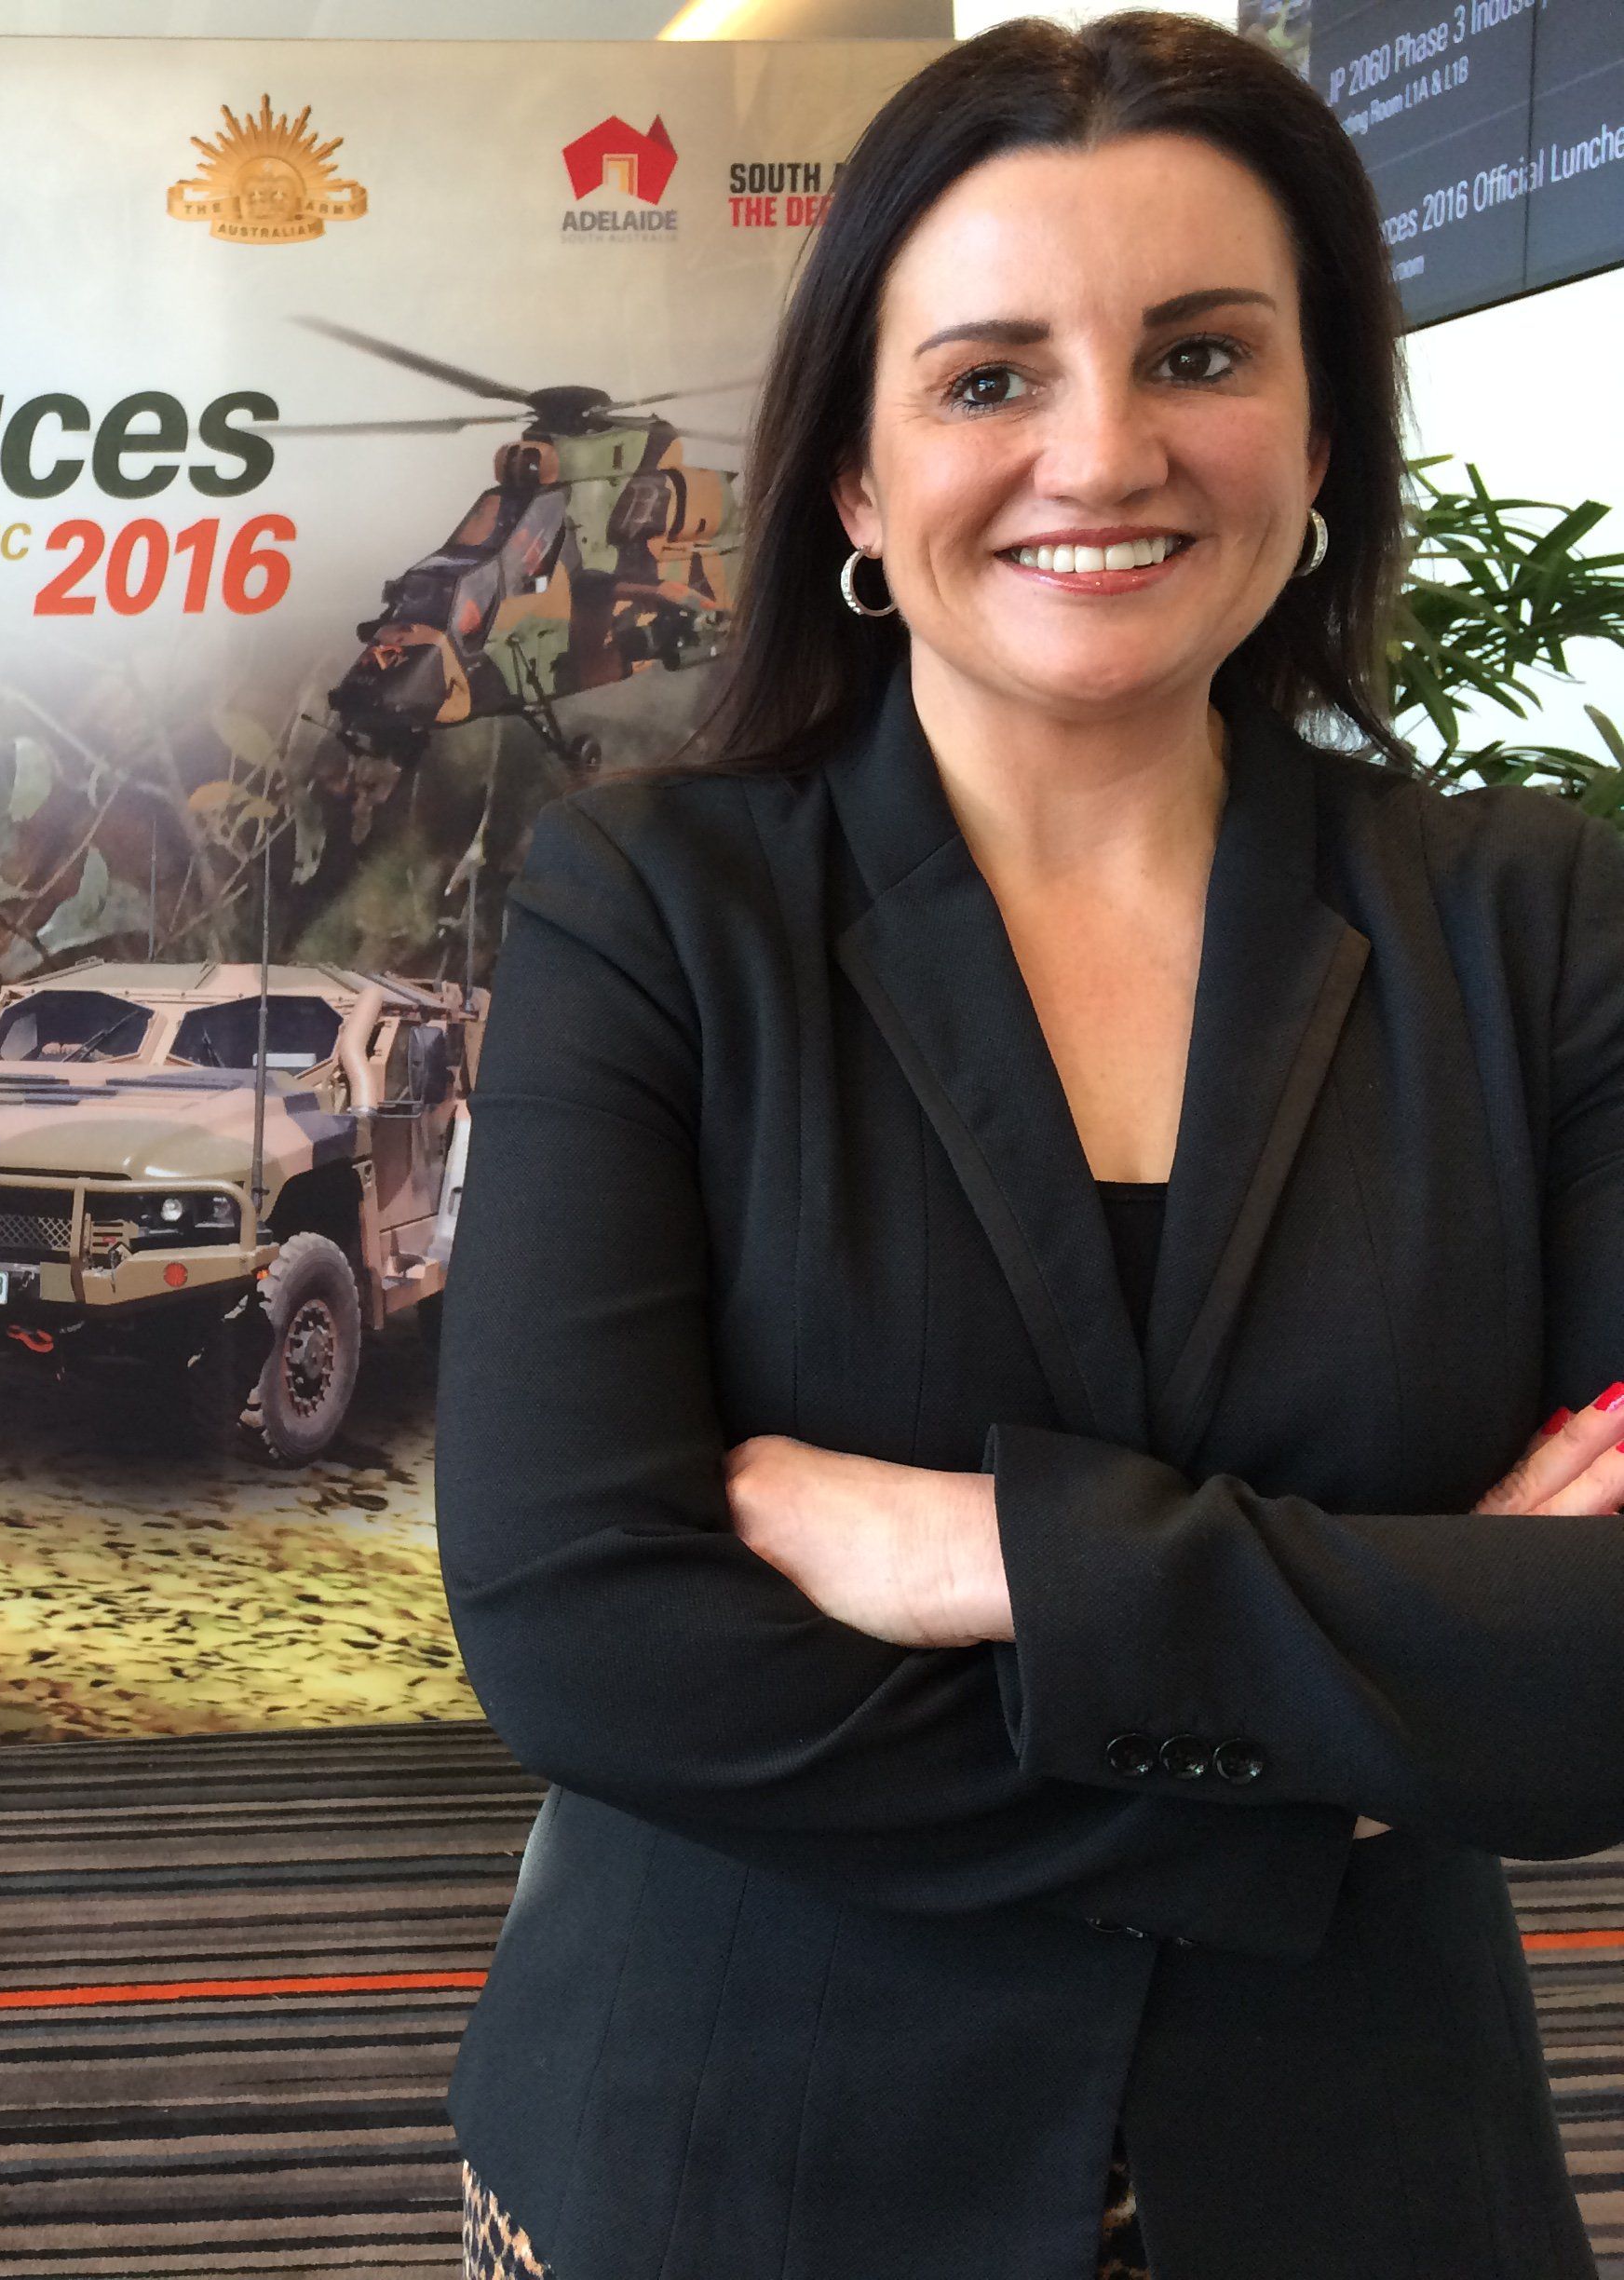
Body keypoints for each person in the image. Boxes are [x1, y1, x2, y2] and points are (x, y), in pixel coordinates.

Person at [436, 16, 1624, 2280]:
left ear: (1321, 434)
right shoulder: (657, 906)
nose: (1103, 451)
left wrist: (988, 1553)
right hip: (744, 2168)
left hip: (1361, 2188)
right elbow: (587, 1629)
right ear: (855, 480)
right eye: (991, 377)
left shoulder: (1534, 924)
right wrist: (1346, 1767)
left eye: (1201, 354)